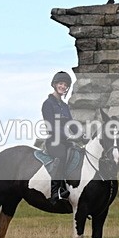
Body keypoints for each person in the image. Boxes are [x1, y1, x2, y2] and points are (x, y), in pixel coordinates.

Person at [41, 71, 79, 203]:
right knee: (62, 156)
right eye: (61, 84)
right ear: (55, 84)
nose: (63, 87)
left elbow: (71, 123)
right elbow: (51, 126)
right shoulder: (48, 104)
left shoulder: (64, 106)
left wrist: (82, 135)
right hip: (54, 141)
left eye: (66, 85)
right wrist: (68, 137)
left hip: (66, 141)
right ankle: (55, 191)